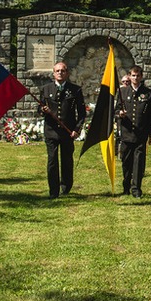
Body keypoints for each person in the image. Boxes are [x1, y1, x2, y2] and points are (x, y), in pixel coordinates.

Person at [39, 61, 86, 199]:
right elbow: (39, 108)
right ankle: (53, 190)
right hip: (51, 131)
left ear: (67, 73)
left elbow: (82, 113)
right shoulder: (46, 89)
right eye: (57, 71)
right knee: (52, 161)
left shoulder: (75, 90)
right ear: (53, 73)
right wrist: (43, 110)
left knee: (66, 160)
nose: (60, 73)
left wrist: (77, 129)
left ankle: (65, 186)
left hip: (67, 131)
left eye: (63, 70)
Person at [115, 65, 151, 198]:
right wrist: (119, 113)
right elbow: (115, 110)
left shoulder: (148, 93)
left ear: (141, 77)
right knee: (126, 162)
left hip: (140, 134)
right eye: (133, 75)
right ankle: (126, 185)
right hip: (126, 133)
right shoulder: (122, 92)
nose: (135, 78)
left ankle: (136, 188)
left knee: (139, 163)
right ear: (129, 76)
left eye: (138, 75)